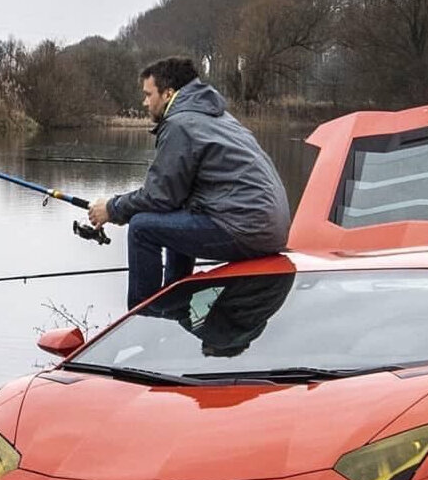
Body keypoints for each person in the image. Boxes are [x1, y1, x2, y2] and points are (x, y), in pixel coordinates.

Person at [88, 57, 291, 308]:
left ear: (168, 93)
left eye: (148, 94)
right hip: (271, 229)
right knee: (176, 214)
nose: (144, 102)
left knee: (142, 228)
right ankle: (175, 301)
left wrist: (112, 208)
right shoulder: (217, 117)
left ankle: (143, 319)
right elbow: (171, 199)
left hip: (245, 228)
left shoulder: (180, 123)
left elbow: (158, 197)